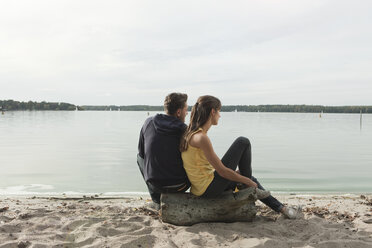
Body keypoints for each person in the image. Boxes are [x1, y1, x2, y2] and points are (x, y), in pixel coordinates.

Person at [180, 95, 301, 219]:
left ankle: (283, 209)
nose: (220, 115)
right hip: (208, 188)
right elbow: (222, 171)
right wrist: (246, 181)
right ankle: (252, 188)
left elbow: (206, 167)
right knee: (243, 142)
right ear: (213, 111)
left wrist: (242, 178)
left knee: (247, 177)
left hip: (200, 187)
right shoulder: (201, 137)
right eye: (219, 111)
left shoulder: (191, 133)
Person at [137, 93, 191, 205]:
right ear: (179, 112)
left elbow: (142, 154)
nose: (187, 113)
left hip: (154, 185)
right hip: (180, 185)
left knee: (139, 157)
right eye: (186, 110)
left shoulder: (149, 122)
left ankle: (156, 200)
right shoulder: (186, 130)